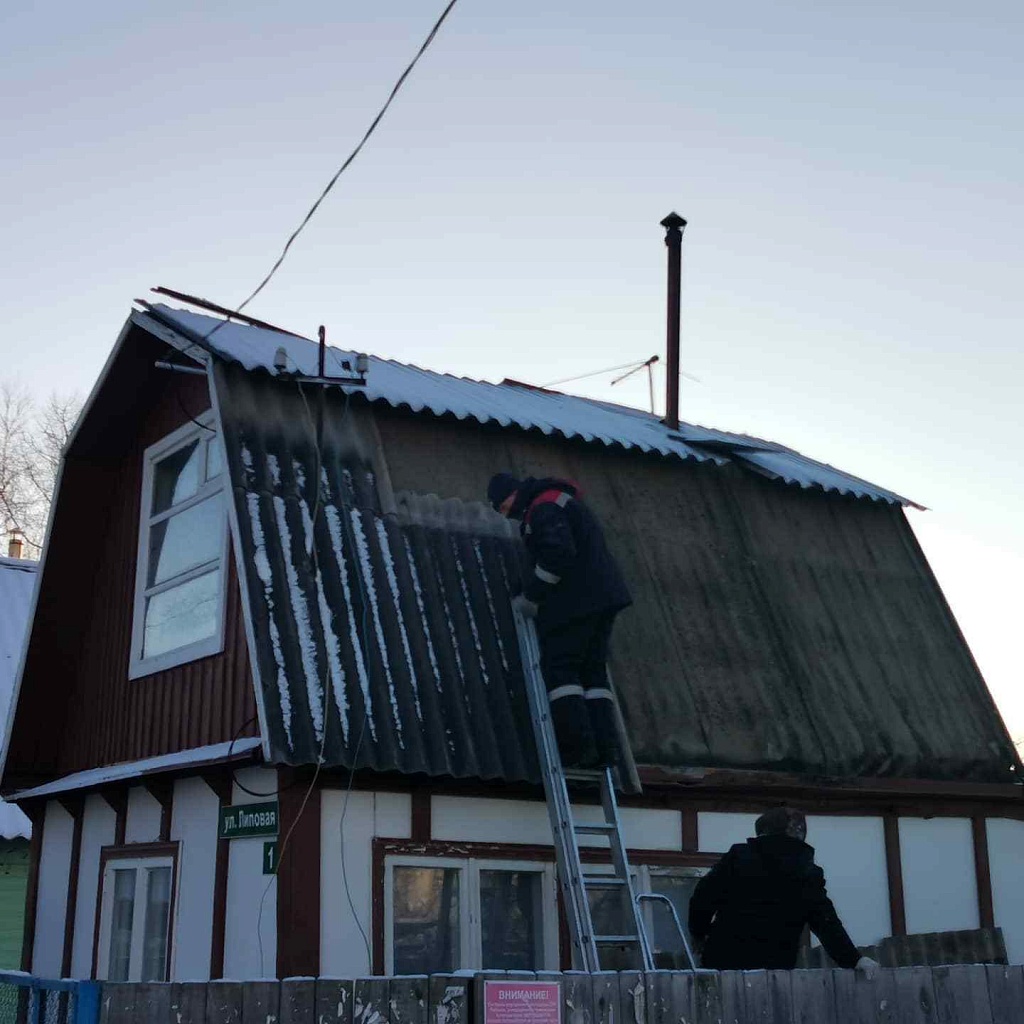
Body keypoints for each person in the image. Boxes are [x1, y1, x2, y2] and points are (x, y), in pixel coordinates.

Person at [487, 472, 632, 768]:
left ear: (513, 494)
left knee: (560, 668)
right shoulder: (558, 501)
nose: (506, 514)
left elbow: (558, 554)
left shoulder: (543, 508)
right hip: (603, 597)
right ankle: (606, 750)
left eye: (503, 506)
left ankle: (577, 748)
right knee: (592, 673)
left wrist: (532, 596)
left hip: (578, 601)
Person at [688, 807, 881, 973]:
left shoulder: (739, 857)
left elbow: (703, 896)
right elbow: (826, 923)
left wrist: (698, 933)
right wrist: (854, 959)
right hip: (775, 971)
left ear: (762, 833)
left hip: (723, 963)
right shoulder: (807, 873)